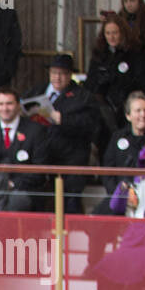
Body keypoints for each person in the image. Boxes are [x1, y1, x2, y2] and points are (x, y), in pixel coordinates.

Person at [26, 54, 99, 212]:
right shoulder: (37, 90)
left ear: (70, 75)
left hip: (70, 156)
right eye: (54, 73)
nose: (57, 78)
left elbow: (91, 124)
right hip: (40, 153)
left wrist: (63, 119)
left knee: (70, 202)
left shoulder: (83, 96)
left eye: (63, 73)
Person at [0, 88, 46, 205]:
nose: (5, 108)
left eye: (9, 104)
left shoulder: (35, 131)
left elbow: (40, 169)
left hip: (24, 192)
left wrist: (13, 184)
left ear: (18, 105)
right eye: (1, 104)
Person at [101, 91, 145, 192]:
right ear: (128, 116)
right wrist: (116, 193)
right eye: (138, 111)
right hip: (121, 196)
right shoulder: (117, 137)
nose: (143, 114)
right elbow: (108, 168)